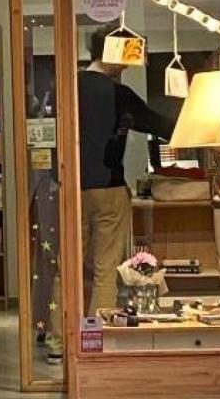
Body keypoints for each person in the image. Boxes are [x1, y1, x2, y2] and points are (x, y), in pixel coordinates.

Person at [77, 25, 175, 316]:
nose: (129, 63)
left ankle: (60, 337)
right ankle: (95, 336)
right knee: (104, 269)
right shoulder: (118, 93)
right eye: (128, 54)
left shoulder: (68, 86)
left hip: (70, 187)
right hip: (109, 187)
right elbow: (157, 124)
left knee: (68, 265)